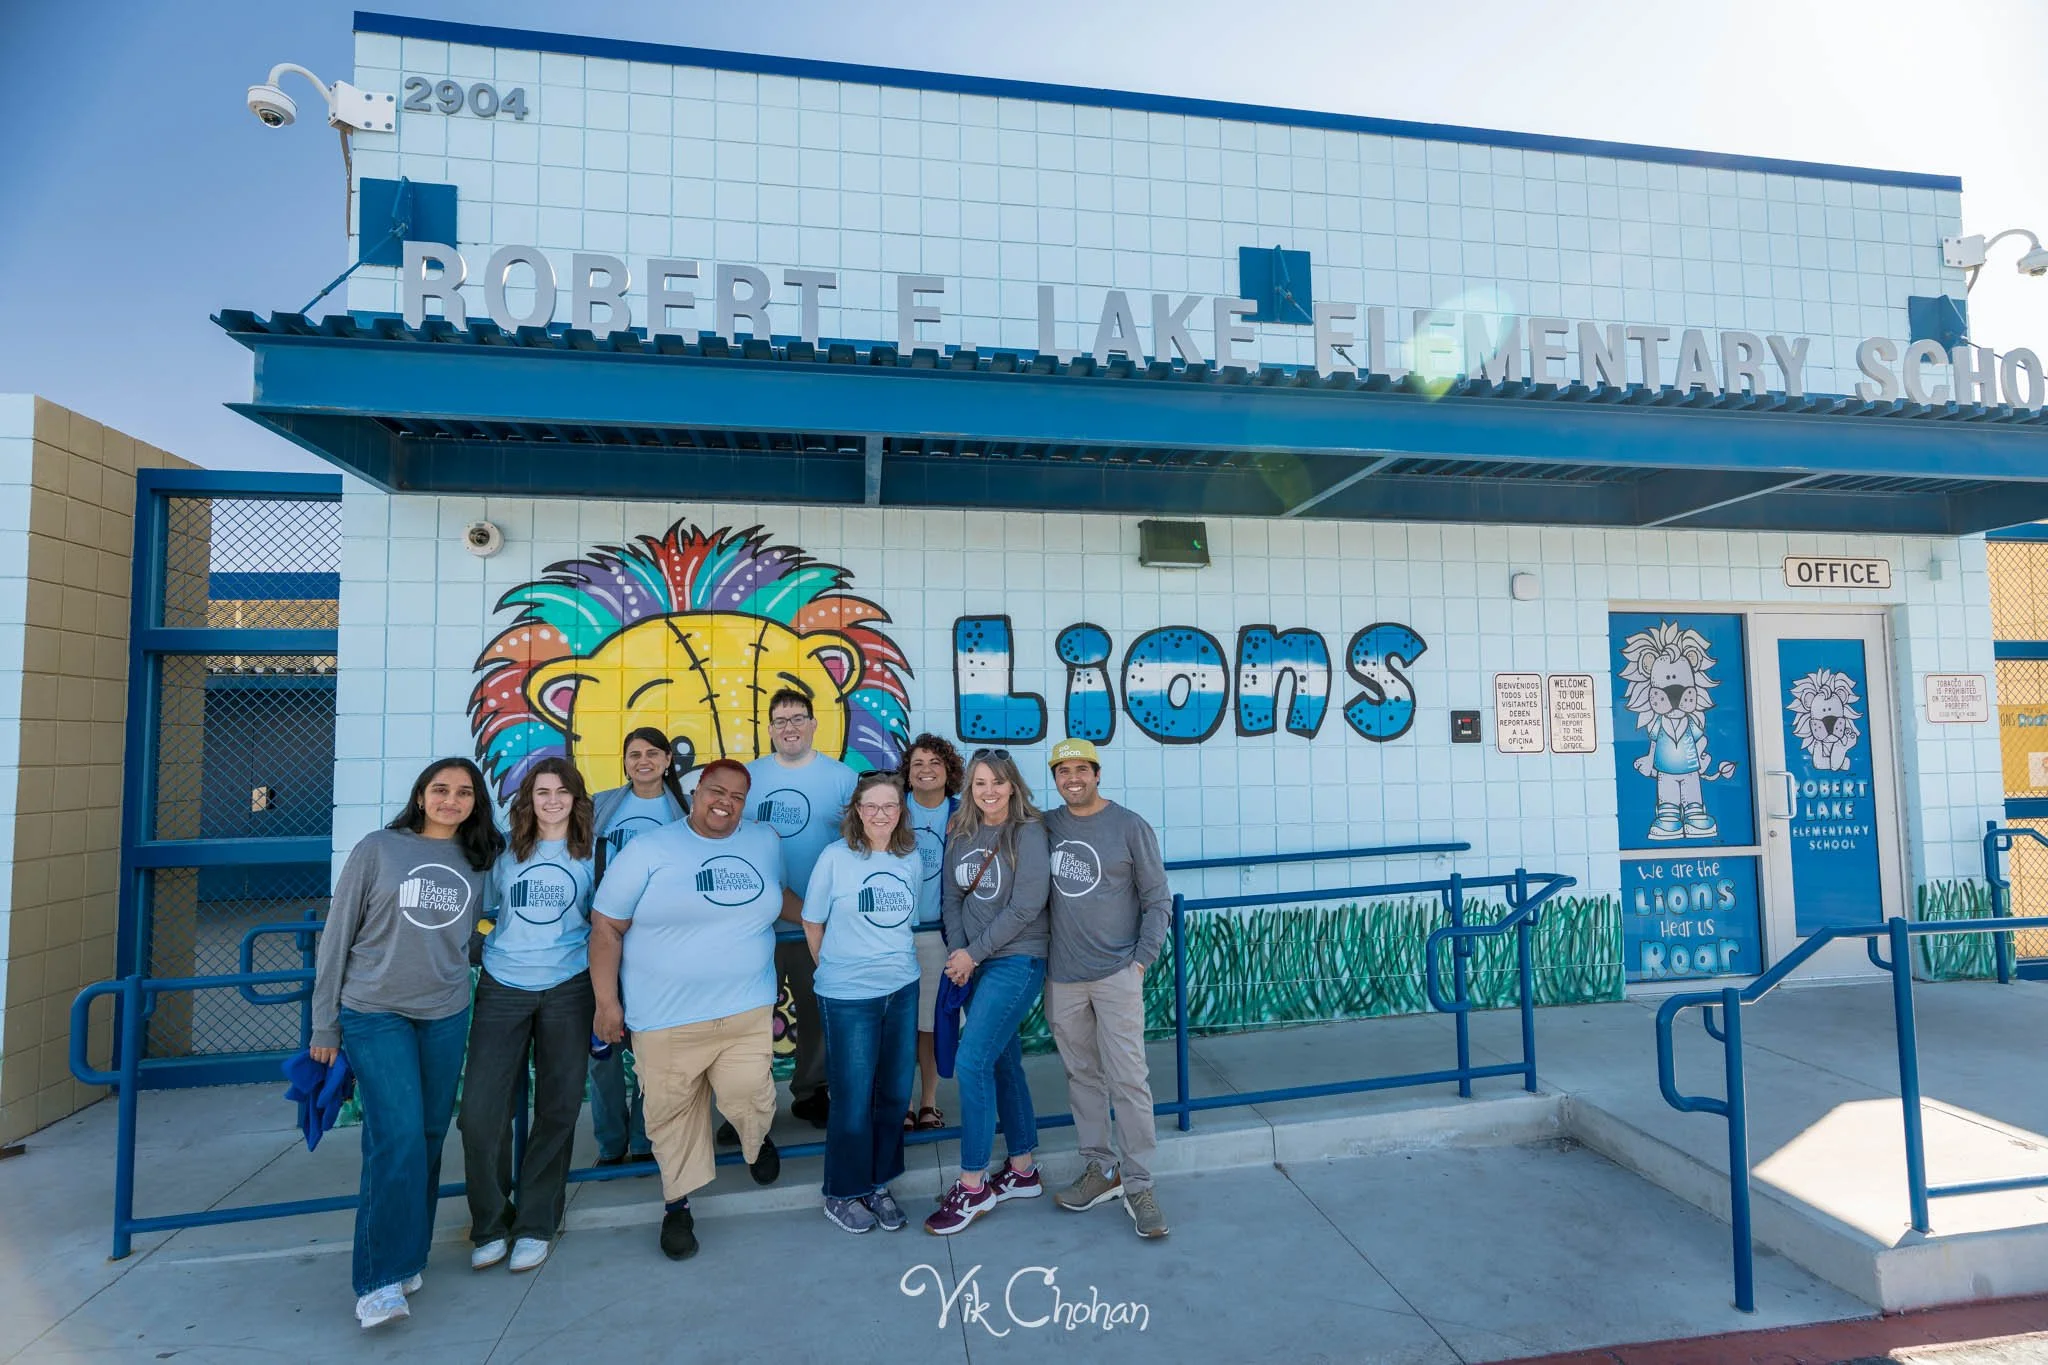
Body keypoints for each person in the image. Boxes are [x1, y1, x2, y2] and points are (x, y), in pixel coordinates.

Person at [310, 758, 503, 1329]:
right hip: (375, 1012)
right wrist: (325, 1025)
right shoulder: (379, 848)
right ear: (421, 796)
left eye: (464, 792)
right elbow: (336, 937)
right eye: (440, 789)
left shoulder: (476, 860)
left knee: (427, 1134)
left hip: (444, 1012)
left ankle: (408, 1253)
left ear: (475, 802)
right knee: (394, 1138)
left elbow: (468, 939)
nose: (451, 800)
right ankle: (376, 1279)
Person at [589, 758, 788, 1262]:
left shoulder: (764, 841)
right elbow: (607, 927)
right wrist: (607, 1003)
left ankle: (754, 1137)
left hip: (746, 1006)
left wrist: (823, 919)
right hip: (666, 1017)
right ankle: (677, 1206)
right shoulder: (649, 849)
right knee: (671, 1114)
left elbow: (776, 897)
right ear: (696, 792)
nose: (726, 802)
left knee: (752, 1091)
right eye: (716, 791)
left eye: (738, 796)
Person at [458, 758, 597, 1275]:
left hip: (569, 987)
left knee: (557, 1109)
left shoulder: (592, 853)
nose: (552, 800)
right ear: (528, 799)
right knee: (480, 1113)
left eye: (562, 791)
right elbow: (475, 909)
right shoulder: (504, 852)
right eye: (542, 792)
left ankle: (536, 1222)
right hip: (504, 987)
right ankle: (491, 1223)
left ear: (575, 798)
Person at [1043, 738, 1173, 1239]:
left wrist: (1141, 961)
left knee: (1129, 1080)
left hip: (1118, 973)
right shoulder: (1047, 826)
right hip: (1064, 977)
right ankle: (1101, 1169)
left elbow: (1157, 899)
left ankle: (1139, 1183)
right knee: (1082, 1077)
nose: (1072, 778)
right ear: (1055, 778)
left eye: (1080, 769)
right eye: (1062, 771)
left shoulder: (1129, 826)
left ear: (1097, 774)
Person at [924, 749, 1051, 1236]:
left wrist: (972, 955)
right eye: (980, 783)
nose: (989, 791)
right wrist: (960, 955)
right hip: (971, 962)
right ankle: (1022, 1170)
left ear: (1013, 785)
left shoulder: (1029, 833)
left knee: (973, 1061)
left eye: (997, 782)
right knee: (1001, 1061)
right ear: (970, 788)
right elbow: (951, 898)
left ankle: (973, 1185)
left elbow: (1024, 908)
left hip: (1016, 961)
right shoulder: (961, 830)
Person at [802, 771, 921, 1233]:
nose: (879, 814)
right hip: (849, 994)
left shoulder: (908, 856)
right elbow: (813, 923)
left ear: (900, 812)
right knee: (852, 1098)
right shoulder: (835, 857)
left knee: (893, 1093)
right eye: (870, 806)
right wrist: (836, 969)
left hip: (902, 987)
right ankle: (842, 1191)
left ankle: (878, 1182)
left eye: (889, 806)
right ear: (855, 810)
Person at [747, 688, 856, 1127]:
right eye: (780, 721)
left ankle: (812, 1091)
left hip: (818, 926)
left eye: (797, 718)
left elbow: (858, 847)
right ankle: (748, 1106)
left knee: (817, 1011)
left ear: (814, 724)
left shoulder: (843, 779)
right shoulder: (749, 778)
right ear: (769, 730)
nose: (789, 727)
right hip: (755, 926)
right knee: (750, 1017)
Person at [586, 728, 688, 1167]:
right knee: (603, 1048)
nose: (642, 761)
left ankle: (646, 1141)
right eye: (633, 754)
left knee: (654, 1049)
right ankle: (611, 1145)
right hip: (607, 939)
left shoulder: (684, 809)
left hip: (661, 947)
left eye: (652, 754)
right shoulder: (602, 805)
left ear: (668, 760)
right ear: (624, 761)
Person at [901, 735, 963, 1131]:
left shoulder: (963, 814)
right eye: (918, 762)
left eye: (935, 762)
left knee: (929, 1023)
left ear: (949, 771)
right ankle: (901, 1102)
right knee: (897, 1026)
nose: (926, 768)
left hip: (940, 936)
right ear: (907, 772)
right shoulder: (891, 810)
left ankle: (926, 1102)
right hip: (894, 934)